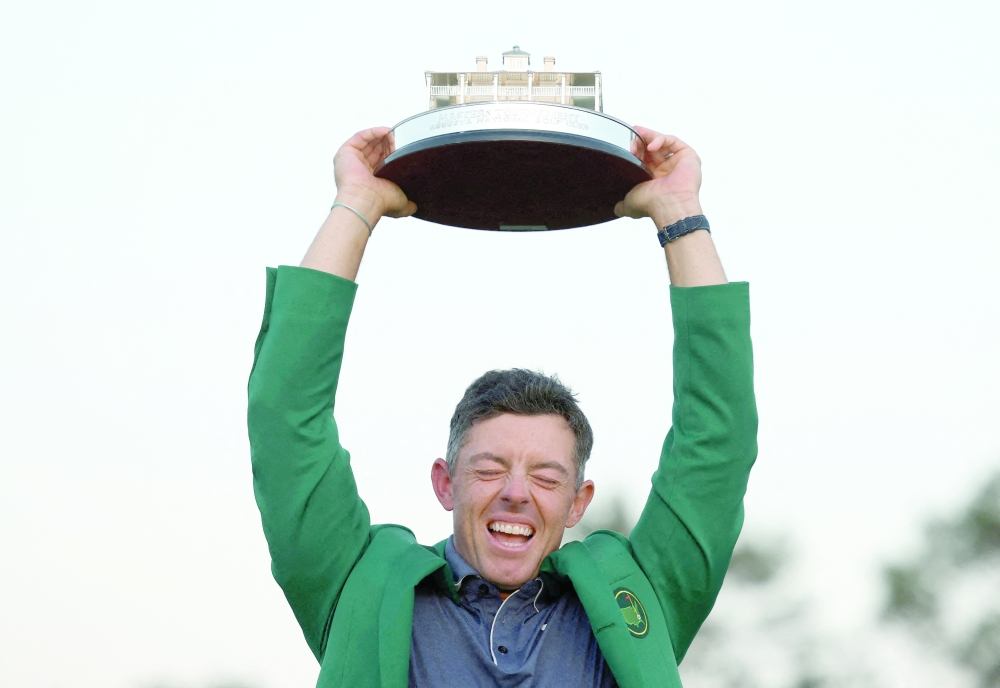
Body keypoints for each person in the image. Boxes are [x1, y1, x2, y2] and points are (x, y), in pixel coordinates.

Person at [247, 126, 757, 688]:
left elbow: (718, 443)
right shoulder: (359, 584)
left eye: (546, 477)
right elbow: (285, 419)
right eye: (490, 470)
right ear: (445, 483)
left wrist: (679, 211)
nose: (516, 492)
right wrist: (356, 204)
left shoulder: (638, 594)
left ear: (577, 502)